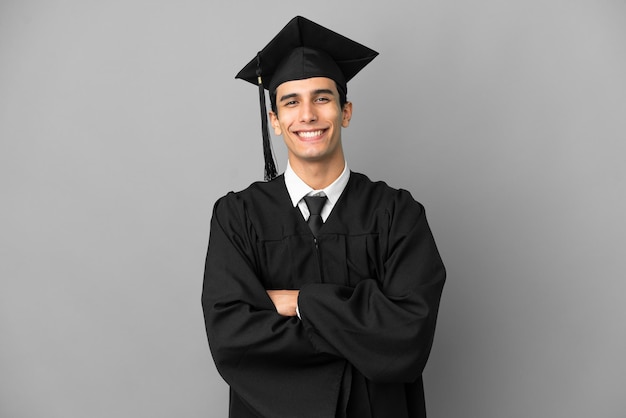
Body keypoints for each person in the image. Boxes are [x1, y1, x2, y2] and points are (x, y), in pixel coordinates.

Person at [202, 16, 446, 418]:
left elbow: (407, 336)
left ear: (345, 111)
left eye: (322, 98)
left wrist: (300, 303)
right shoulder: (237, 217)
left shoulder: (397, 214)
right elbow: (233, 340)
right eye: (291, 102)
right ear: (275, 122)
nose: (308, 115)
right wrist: (360, 331)